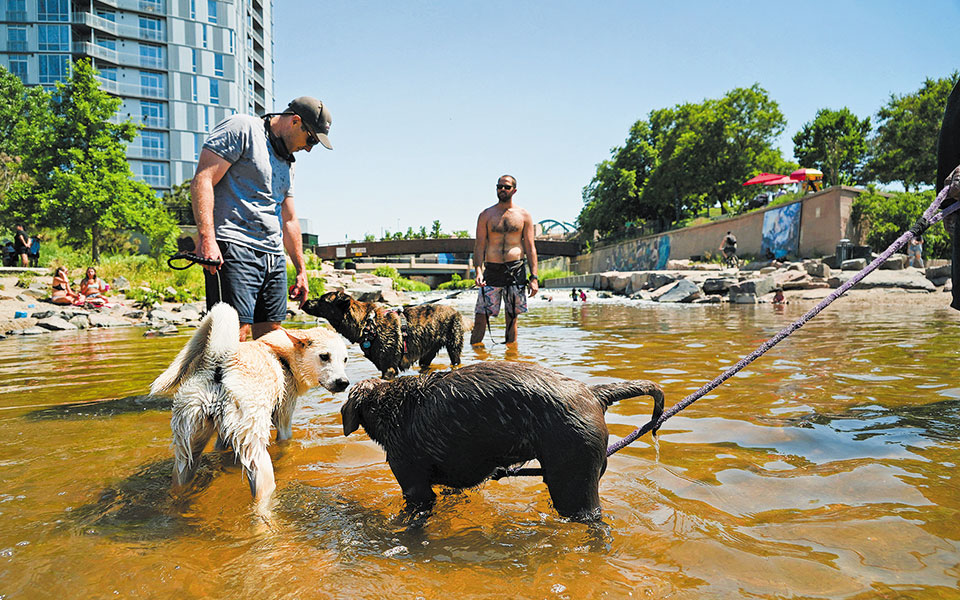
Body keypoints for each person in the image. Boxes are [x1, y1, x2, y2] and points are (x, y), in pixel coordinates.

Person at [191, 96, 332, 341]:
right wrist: (207, 239)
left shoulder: (289, 162)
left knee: (272, 340)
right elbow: (203, 180)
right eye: (311, 139)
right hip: (234, 248)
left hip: (273, 257)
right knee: (235, 335)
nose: (309, 148)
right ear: (295, 121)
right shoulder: (242, 128)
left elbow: (289, 219)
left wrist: (301, 270)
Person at [470, 175, 538, 345]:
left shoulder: (524, 215)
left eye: (506, 187)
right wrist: (478, 271)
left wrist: (534, 277)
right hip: (492, 271)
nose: (502, 189)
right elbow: (479, 246)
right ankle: (474, 361)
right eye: (499, 186)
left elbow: (530, 248)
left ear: (514, 191)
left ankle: (511, 360)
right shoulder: (486, 215)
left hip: (516, 271)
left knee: (512, 319)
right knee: (481, 318)